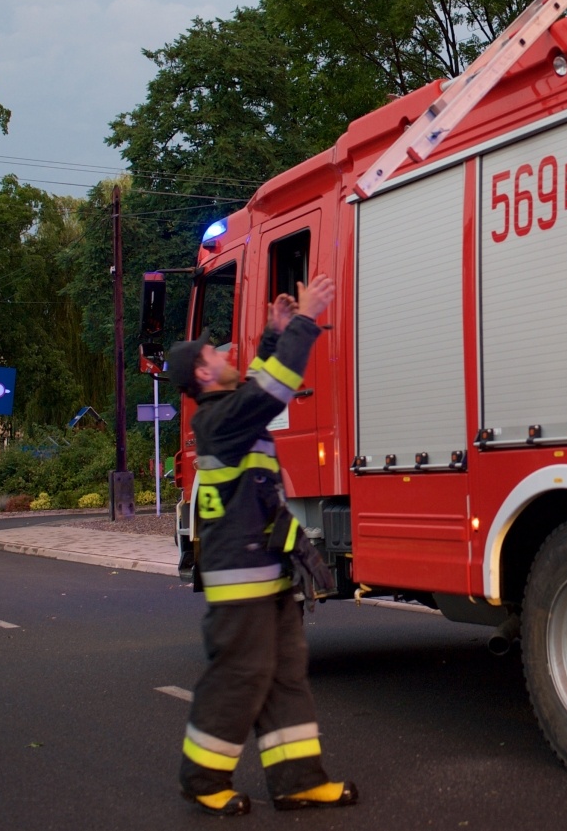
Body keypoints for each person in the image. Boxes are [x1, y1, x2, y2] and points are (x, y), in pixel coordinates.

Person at [166, 274, 357, 815]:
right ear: (203, 373)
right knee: (241, 676)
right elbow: (272, 388)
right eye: (215, 350)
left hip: (265, 571)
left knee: (283, 675)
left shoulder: (230, 409)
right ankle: (202, 780)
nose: (226, 351)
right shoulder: (220, 420)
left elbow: (257, 383)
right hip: (242, 582)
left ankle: (298, 780)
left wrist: (275, 335)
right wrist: (305, 320)